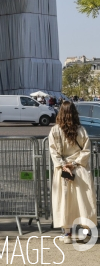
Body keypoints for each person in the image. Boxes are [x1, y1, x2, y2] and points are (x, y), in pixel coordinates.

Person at [49, 101, 97, 244]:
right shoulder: (81, 130)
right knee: (84, 201)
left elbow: (53, 151)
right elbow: (86, 149)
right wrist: (74, 163)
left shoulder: (55, 130)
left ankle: (67, 233)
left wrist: (64, 165)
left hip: (63, 171)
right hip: (80, 169)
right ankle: (86, 232)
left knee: (65, 201)